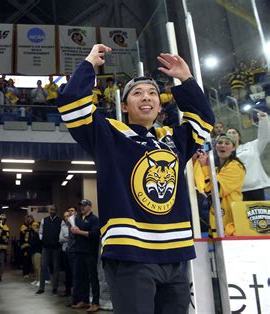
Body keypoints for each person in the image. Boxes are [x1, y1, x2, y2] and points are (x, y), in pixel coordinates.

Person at [56, 44, 215, 313]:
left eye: (153, 93)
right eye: (138, 93)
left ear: (159, 104)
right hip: (131, 255)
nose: (147, 97)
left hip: (175, 256)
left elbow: (203, 120)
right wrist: (89, 65)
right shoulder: (108, 135)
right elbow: (72, 103)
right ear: (125, 105)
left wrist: (185, 81)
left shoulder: (173, 139)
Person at [195, 134, 245, 236]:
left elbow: (215, 190)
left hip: (230, 218)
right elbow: (203, 186)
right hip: (216, 216)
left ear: (233, 147)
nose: (223, 145)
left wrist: (205, 167)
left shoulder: (235, 166)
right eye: (220, 143)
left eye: (227, 143)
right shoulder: (216, 170)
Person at [227, 111, 270, 201]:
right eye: (229, 133)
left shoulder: (252, 146)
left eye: (234, 133)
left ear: (239, 137)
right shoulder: (224, 153)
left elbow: (264, 137)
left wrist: (263, 120)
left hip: (255, 188)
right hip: (236, 191)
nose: (231, 134)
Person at [70, 200, 100, 312]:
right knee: (81, 277)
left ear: (90, 207)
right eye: (81, 205)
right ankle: (84, 300)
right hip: (79, 251)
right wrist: (74, 231)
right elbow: (77, 234)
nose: (82, 207)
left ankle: (96, 303)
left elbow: (94, 234)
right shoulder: (78, 219)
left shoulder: (94, 219)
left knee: (92, 278)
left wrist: (79, 232)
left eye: (84, 205)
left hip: (89, 253)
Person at [36, 205, 62, 295]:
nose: (52, 211)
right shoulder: (44, 220)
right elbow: (40, 231)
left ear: (56, 211)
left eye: (54, 210)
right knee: (43, 267)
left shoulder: (60, 221)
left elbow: (61, 233)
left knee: (56, 268)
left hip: (56, 248)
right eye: (51, 209)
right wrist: (42, 239)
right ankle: (41, 287)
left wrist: (58, 241)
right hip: (46, 247)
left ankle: (55, 288)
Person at [0, 214, 10, 282]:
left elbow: (6, 238)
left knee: (1, 262)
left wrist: (2, 235)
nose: (2, 221)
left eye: (3, 219)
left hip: (2, 248)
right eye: (1, 219)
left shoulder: (6, 228)